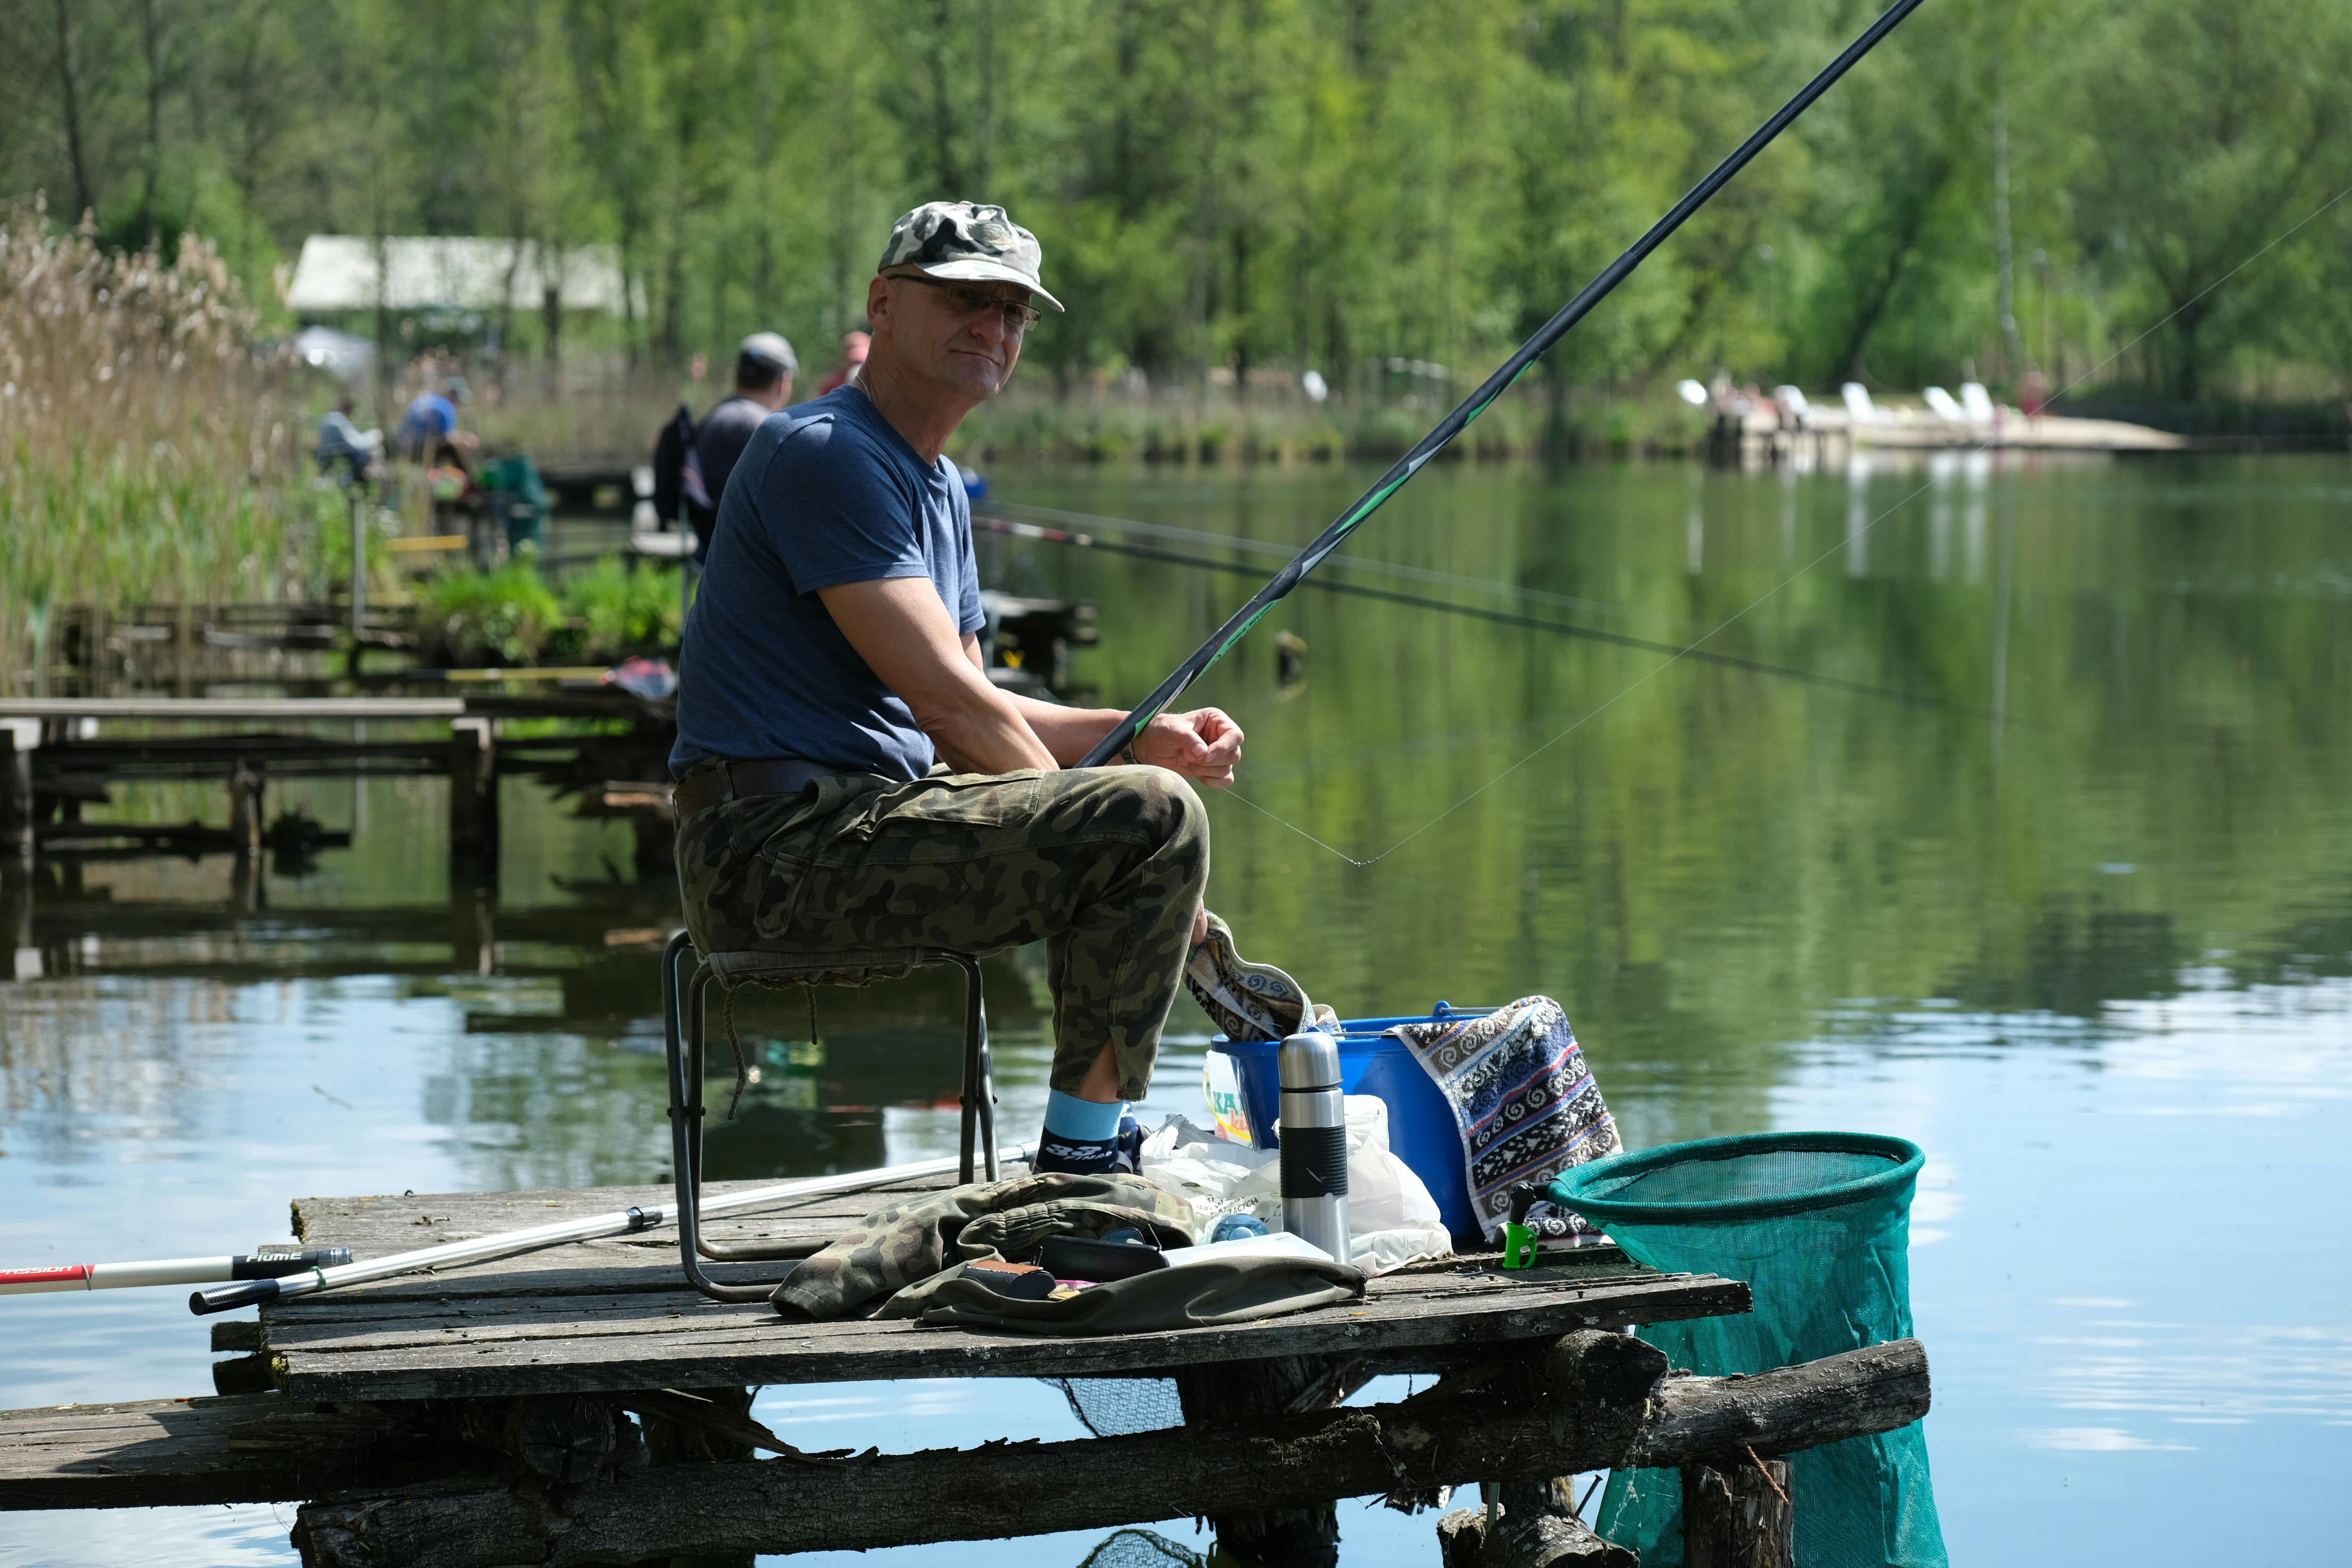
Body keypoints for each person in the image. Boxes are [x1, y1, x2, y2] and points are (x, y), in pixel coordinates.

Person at [673, 201, 1243, 1176]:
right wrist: (1123, 819)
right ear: (884, 304)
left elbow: (981, 703)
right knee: (1148, 824)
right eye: (967, 300)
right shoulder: (822, 451)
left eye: (1014, 311)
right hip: (772, 855)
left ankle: (1084, 1143)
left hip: (869, 819)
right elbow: (948, 706)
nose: (995, 327)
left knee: (1146, 809)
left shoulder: (935, 484)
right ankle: (1082, 1159)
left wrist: (1138, 734)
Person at [689, 332, 797, 560]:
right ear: (783, 382)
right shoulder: (765, 427)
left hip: (709, 539)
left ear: (737, 376)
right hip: (744, 551)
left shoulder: (716, 415)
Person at [396, 379, 476, 476]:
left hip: (404, 446)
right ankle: (467, 479)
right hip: (420, 448)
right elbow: (449, 437)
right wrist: (465, 439)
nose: (459, 403)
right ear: (453, 394)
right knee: (452, 449)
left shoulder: (430, 399)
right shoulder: (446, 407)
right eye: (459, 399)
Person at [316, 395, 382, 485]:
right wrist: (374, 436)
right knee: (375, 454)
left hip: (326, 458)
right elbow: (356, 443)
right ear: (347, 410)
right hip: (342, 458)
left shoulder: (326, 418)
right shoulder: (339, 419)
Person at [817, 330, 869, 395]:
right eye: (853, 363)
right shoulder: (832, 385)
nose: (857, 368)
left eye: (861, 362)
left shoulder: (879, 383)